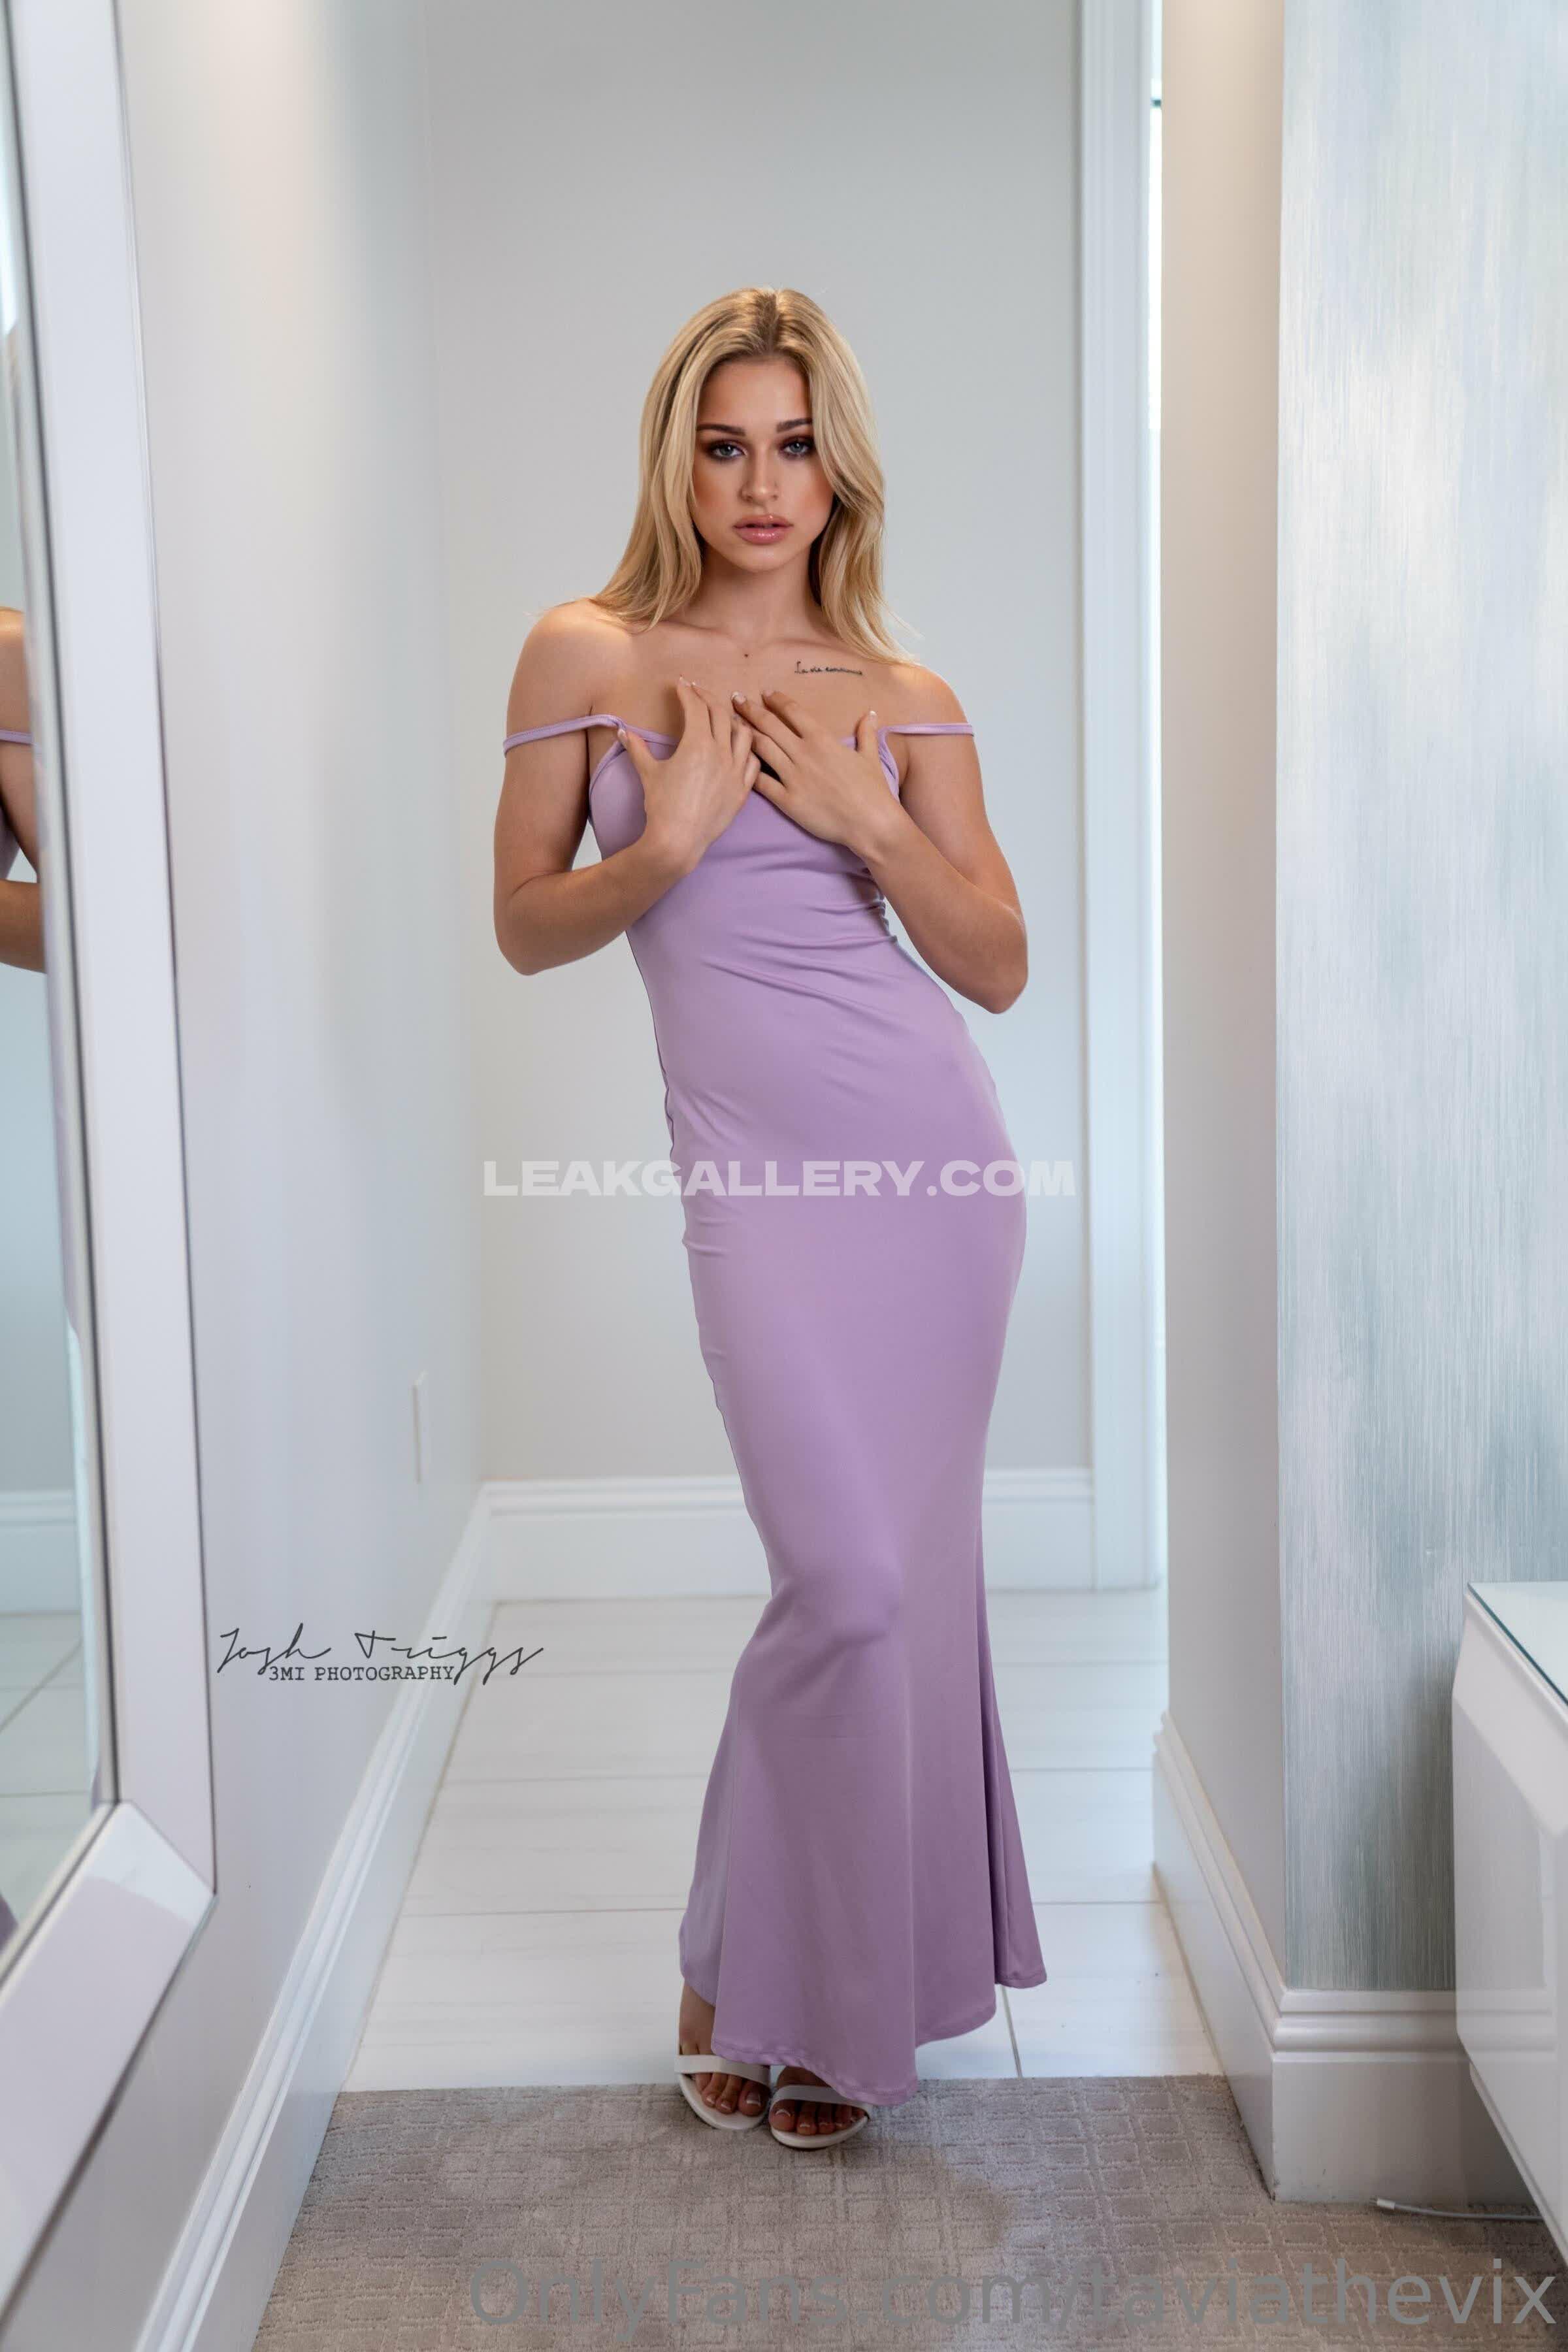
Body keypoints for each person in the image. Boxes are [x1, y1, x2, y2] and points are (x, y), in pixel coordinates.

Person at [494, 286, 1045, 2150]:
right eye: (725, 444)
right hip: (755, 1191)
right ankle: (757, 1964)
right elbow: (525, 925)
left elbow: (999, 966)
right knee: (845, 1584)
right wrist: (660, 847)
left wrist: (870, 823)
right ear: (678, 458)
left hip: (934, 1182)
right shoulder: (583, 652)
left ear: (839, 472)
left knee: (888, 1595)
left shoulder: (905, 696)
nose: (759, 482)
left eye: (794, 446)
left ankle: (779, 1988)